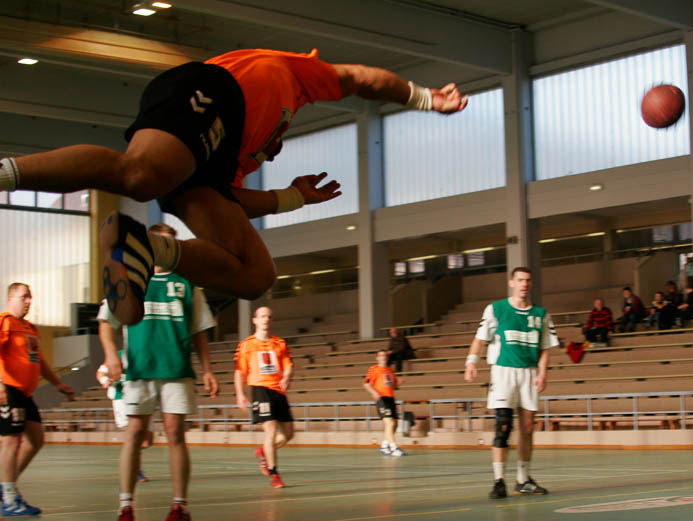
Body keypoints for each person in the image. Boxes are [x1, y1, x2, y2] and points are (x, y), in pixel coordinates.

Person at [0, 50, 469, 327]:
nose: (277, 148)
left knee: (254, 275)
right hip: (214, 88)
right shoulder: (300, 76)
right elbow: (364, 79)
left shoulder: (239, 155)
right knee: (140, 177)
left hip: (204, 164)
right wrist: (426, 99)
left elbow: (233, 200)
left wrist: (293, 198)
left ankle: (142, 248)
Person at [97, 222, 218, 521]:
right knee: (134, 434)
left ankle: (180, 507)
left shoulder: (188, 285)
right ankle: (126, 507)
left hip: (176, 371)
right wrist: (111, 356)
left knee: (175, 433)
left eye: (171, 244)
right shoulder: (130, 279)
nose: (166, 248)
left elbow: (199, 332)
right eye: (161, 243)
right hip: (139, 370)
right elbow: (105, 322)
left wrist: (207, 369)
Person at [463, 267, 559, 499]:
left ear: (531, 284)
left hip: (528, 373)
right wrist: (471, 362)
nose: (524, 284)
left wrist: (543, 373)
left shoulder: (541, 314)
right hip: (503, 373)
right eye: (520, 280)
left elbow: (545, 347)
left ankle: (523, 479)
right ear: (511, 283)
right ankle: (498, 481)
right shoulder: (497, 309)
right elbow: (480, 339)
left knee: (527, 428)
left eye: (527, 280)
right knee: (503, 427)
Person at [0, 283, 75, 516]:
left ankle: (5, 487)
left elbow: (39, 361)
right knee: (11, 440)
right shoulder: (5, 322)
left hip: (24, 392)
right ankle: (10, 497)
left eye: (30, 297)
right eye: (24, 297)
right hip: (8, 388)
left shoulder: (30, 328)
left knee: (36, 439)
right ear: (11, 298)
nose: (29, 301)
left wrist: (58, 383)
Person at [234, 306, 295, 488]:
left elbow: (289, 365)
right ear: (255, 320)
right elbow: (240, 371)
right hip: (260, 389)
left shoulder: (279, 343)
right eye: (262, 316)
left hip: (279, 391)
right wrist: (240, 393)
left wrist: (286, 376)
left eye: (269, 316)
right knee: (270, 430)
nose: (266, 319)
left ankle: (263, 452)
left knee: (289, 433)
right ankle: (274, 473)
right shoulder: (246, 345)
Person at [97, 357, 152, 483]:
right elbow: (100, 372)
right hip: (121, 399)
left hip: (143, 396)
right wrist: (104, 379)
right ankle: (135, 470)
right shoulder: (119, 355)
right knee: (134, 437)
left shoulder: (145, 352)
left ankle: (130, 456)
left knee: (147, 441)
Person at [363, 350, 406, 457]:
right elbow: (366, 384)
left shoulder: (390, 370)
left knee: (394, 424)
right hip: (381, 398)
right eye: (381, 355)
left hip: (391, 398)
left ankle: (384, 445)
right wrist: (374, 392)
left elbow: (392, 385)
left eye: (385, 355)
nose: (383, 357)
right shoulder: (374, 369)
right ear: (376, 358)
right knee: (389, 423)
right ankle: (393, 447)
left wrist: (398, 383)